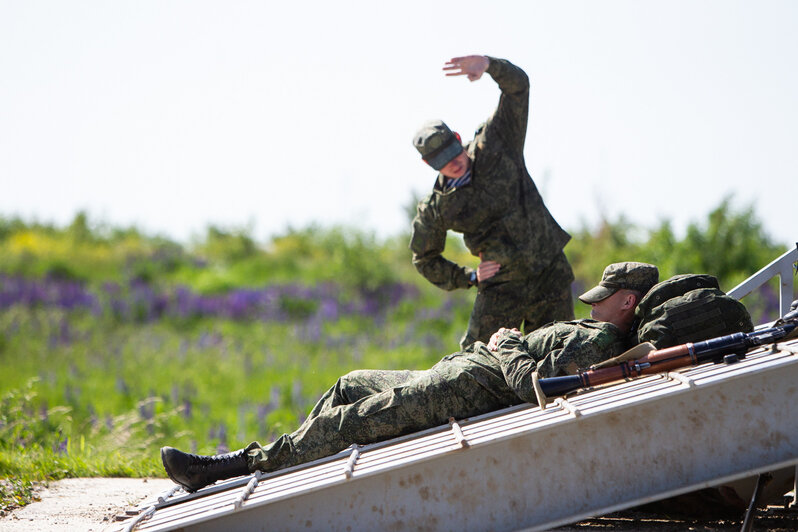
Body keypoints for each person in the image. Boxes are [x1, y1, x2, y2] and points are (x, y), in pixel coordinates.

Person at [161, 262, 659, 493]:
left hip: (464, 390)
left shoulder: (600, 343)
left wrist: (504, 342)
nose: (592, 303)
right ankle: (295, 468)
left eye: (603, 297)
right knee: (350, 384)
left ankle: (229, 467)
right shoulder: (592, 332)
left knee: (348, 421)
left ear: (627, 301)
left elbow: (535, 386)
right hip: (457, 371)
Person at [411, 54, 574, 349]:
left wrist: (489, 66)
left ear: (458, 138)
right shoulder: (437, 208)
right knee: (479, 364)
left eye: (453, 152)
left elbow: (518, 87)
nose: (454, 164)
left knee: (561, 358)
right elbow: (425, 258)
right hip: (502, 287)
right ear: (428, 164)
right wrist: (468, 276)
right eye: (442, 162)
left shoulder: (498, 141)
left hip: (549, 270)